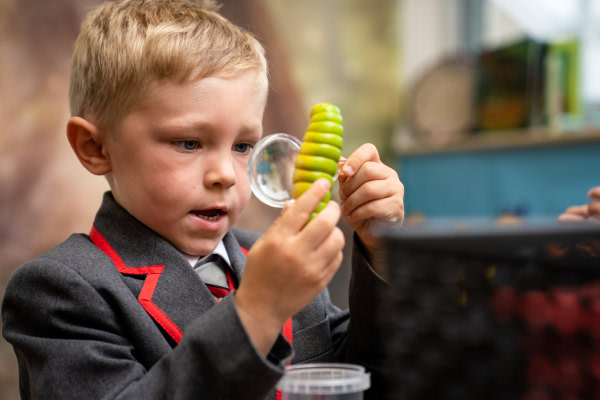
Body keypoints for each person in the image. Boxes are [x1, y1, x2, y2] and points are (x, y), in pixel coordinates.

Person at [1, 1, 405, 399]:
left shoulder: (270, 261)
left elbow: (373, 380)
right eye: (189, 143)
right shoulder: (59, 290)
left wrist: (382, 251)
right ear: (95, 147)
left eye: (244, 145)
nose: (226, 175)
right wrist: (257, 311)